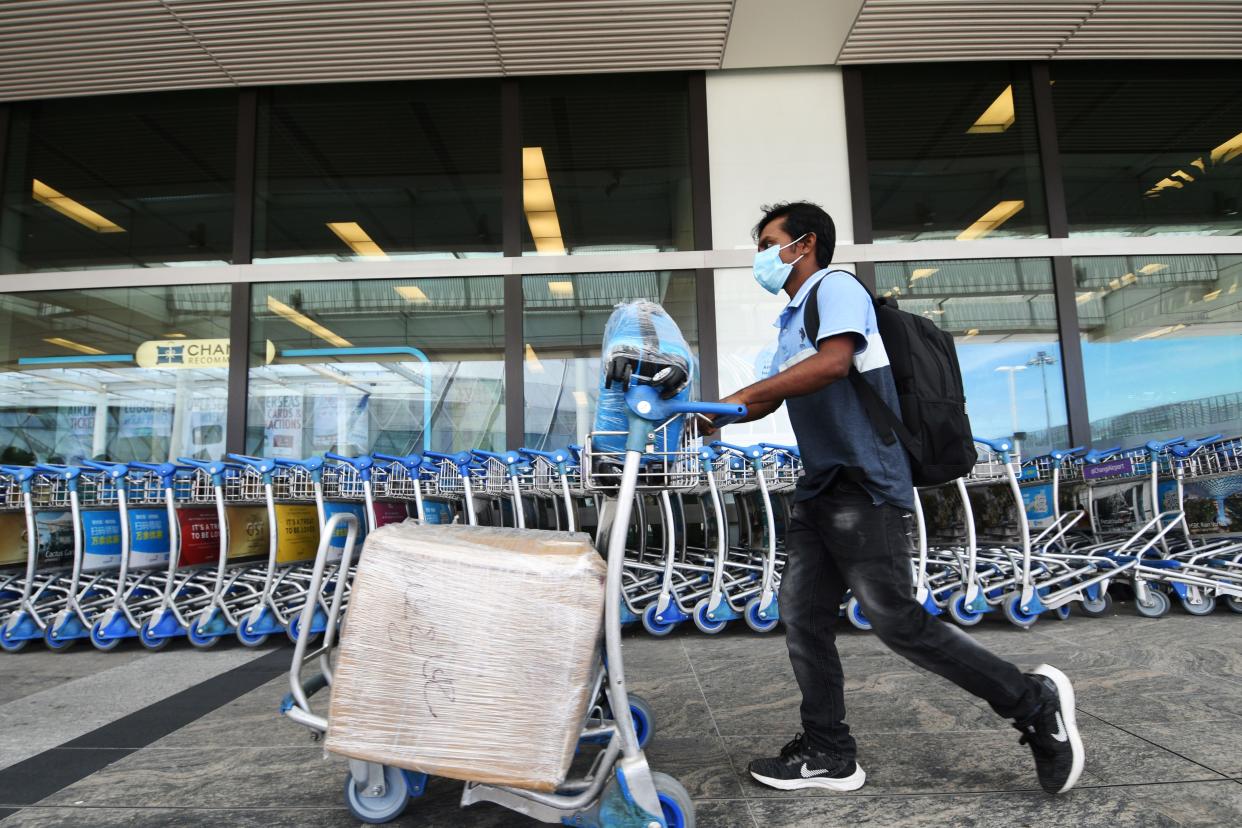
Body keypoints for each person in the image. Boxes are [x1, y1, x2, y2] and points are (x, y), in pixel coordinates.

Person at [712, 201, 1085, 796]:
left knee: (897, 622)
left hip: (864, 483)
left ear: (802, 244)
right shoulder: (791, 319)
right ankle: (829, 753)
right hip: (822, 486)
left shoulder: (837, 289)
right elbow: (771, 398)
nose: (761, 256)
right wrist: (712, 415)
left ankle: (1033, 702)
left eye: (767, 243)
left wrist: (741, 396)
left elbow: (834, 365)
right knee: (803, 620)